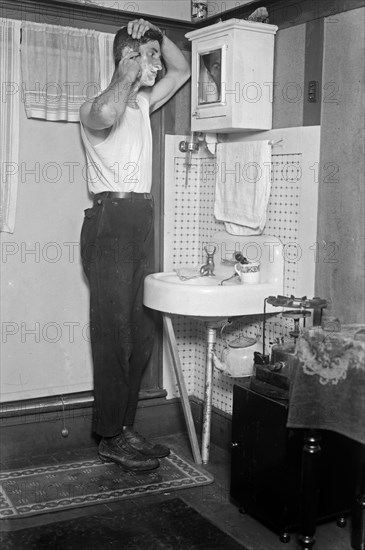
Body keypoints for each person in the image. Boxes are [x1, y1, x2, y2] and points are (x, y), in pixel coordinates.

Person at [79, 19, 190, 472]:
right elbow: (106, 114)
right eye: (149, 58)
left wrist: (158, 34)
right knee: (113, 335)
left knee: (141, 332)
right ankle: (109, 435)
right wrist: (127, 68)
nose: (158, 65)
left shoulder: (144, 104)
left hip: (141, 217)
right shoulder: (94, 108)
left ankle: (125, 428)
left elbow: (181, 70)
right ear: (128, 59)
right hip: (109, 221)